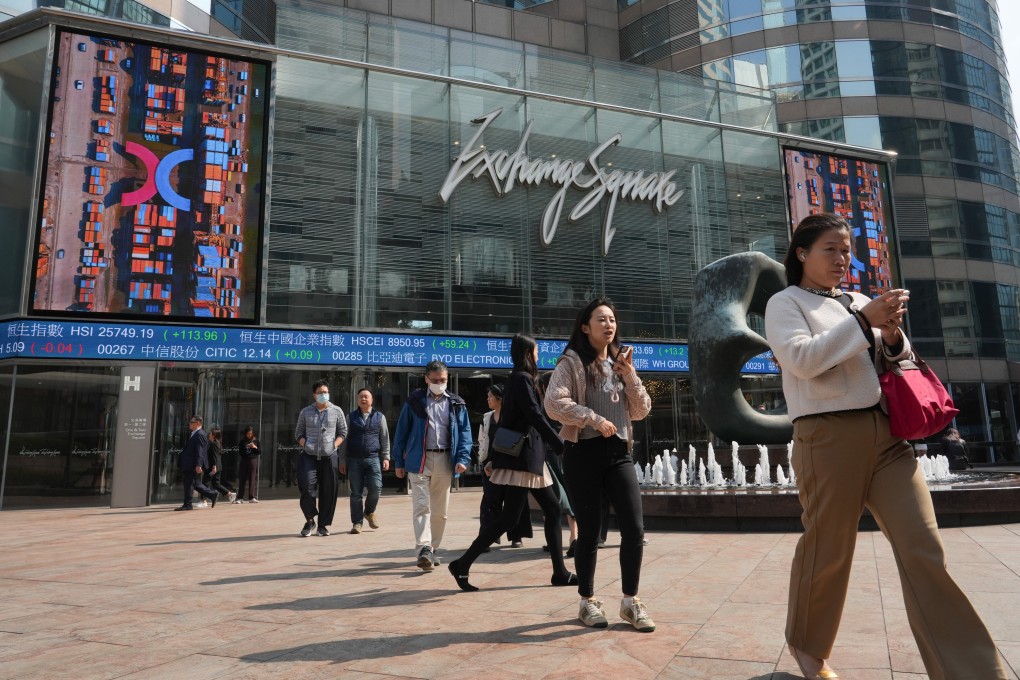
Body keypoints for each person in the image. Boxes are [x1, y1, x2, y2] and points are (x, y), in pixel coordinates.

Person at [764, 213, 1007, 680]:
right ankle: (808, 647)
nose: (842, 258)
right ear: (802, 254)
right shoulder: (785, 302)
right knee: (829, 548)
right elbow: (802, 360)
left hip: (890, 437)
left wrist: (892, 336)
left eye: (845, 249)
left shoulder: (858, 299)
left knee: (923, 549)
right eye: (830, 249)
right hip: (828, 436)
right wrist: (863, 321)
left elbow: (902, 361)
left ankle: (971, 671)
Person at [545, 298, 655, 632]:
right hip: (584, 454)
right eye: (601, 319)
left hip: (619, 453)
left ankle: (630, 602)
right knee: (590, 532)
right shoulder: (572, 362)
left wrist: (631, 376)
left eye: (612, 320)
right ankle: (587, 600)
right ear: (585, 326)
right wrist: (593, 418)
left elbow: (641, 411)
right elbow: (554, 403)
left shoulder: (621, 364)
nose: (609, 325)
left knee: (634, 528)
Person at [449, 334, 575, 591]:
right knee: (519, 517)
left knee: (539, 513)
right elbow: (534, 415)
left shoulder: (521, 379)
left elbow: (529, 416)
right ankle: (462, 564)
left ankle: (558, 571)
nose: (539, 354)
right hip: (524, 459)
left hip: (529, 458)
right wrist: (560, 444)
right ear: (528, 353)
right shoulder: (521, 379)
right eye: (537, 350)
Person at [392, 360, 472, 572]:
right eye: (435, 380)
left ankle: (433, 549)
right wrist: (398, 461)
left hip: (445, 460)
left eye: (443, 380)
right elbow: (401, 432)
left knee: (440, 511)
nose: (439, 383)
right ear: (426, 379)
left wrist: (462, 459)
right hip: (419, 460)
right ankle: (424, 548)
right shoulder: (414, 402)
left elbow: (465, 433)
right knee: (421, 506)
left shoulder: (456, 403)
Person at [476, 384, 532, 550]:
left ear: (500, 399)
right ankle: (487, 537)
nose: (488, 399)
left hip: (510, 463)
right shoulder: (487, 417)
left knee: (513, 500)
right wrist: (484, 460)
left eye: (490, 396)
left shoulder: (512, 416)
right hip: (489, 464)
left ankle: (516, 536)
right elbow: (482, 439)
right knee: (489, 500)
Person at [294, 380, 348, 537]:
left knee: (328, 491)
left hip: (329, 456)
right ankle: (310, 520)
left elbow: (343, 432)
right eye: (320, 393)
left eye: (326, 392)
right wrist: (306, 444)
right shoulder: (306, 412)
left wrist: (334, 446)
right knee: (306, 487)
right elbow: (298, 433)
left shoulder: (337, 411)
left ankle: (323, 525)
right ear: (314, 395)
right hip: (309, 456)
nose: (324, 395)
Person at [341, 388, 391, 534]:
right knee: (356, 493)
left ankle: (369, 512)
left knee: (376, 488)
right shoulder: (350, 417)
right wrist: (342, 460)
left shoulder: (379, 417)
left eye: (366, 397)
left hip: (373, 458)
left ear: (372, 400)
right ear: (357, 400)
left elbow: (385, 438)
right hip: (354, 460)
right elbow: (344, 440)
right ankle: (357, 522)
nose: (363, 399)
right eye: (361, 397)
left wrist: (386, 457)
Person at [174, 415, 218, 511]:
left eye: (191, 422)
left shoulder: (200, 434)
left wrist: (198, 465)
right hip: (190, 463)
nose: (189, 424)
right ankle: (212, 494)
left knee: (189, 484)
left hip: (192, 464)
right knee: (195, 483)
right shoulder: (195, 433)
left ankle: (188, 504)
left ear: (197, 423)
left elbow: (200, 451)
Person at [204, 427, 236, 502]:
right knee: (216, 484)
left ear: (214, 435)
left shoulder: (214, 443)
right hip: (217, 467)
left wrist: (214, 467)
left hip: (213, 467)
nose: (209, 434)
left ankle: (204, 501)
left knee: (205, 482)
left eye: (211, 433)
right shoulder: (217, 443)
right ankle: (229, 494)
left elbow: (215, 456)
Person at [234, 426, 260, 503]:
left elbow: (259, 452)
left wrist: (254, 447)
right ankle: (240, 498)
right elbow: (240, 452)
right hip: (244, 460)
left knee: (252, 479)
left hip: (253, 460)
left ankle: (252, 497)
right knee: (242, 479)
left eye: (251, 434)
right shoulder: (242, 441)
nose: (249, 435)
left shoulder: (256, 441)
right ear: (245, 434)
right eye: (248, 434)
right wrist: (246, 447)